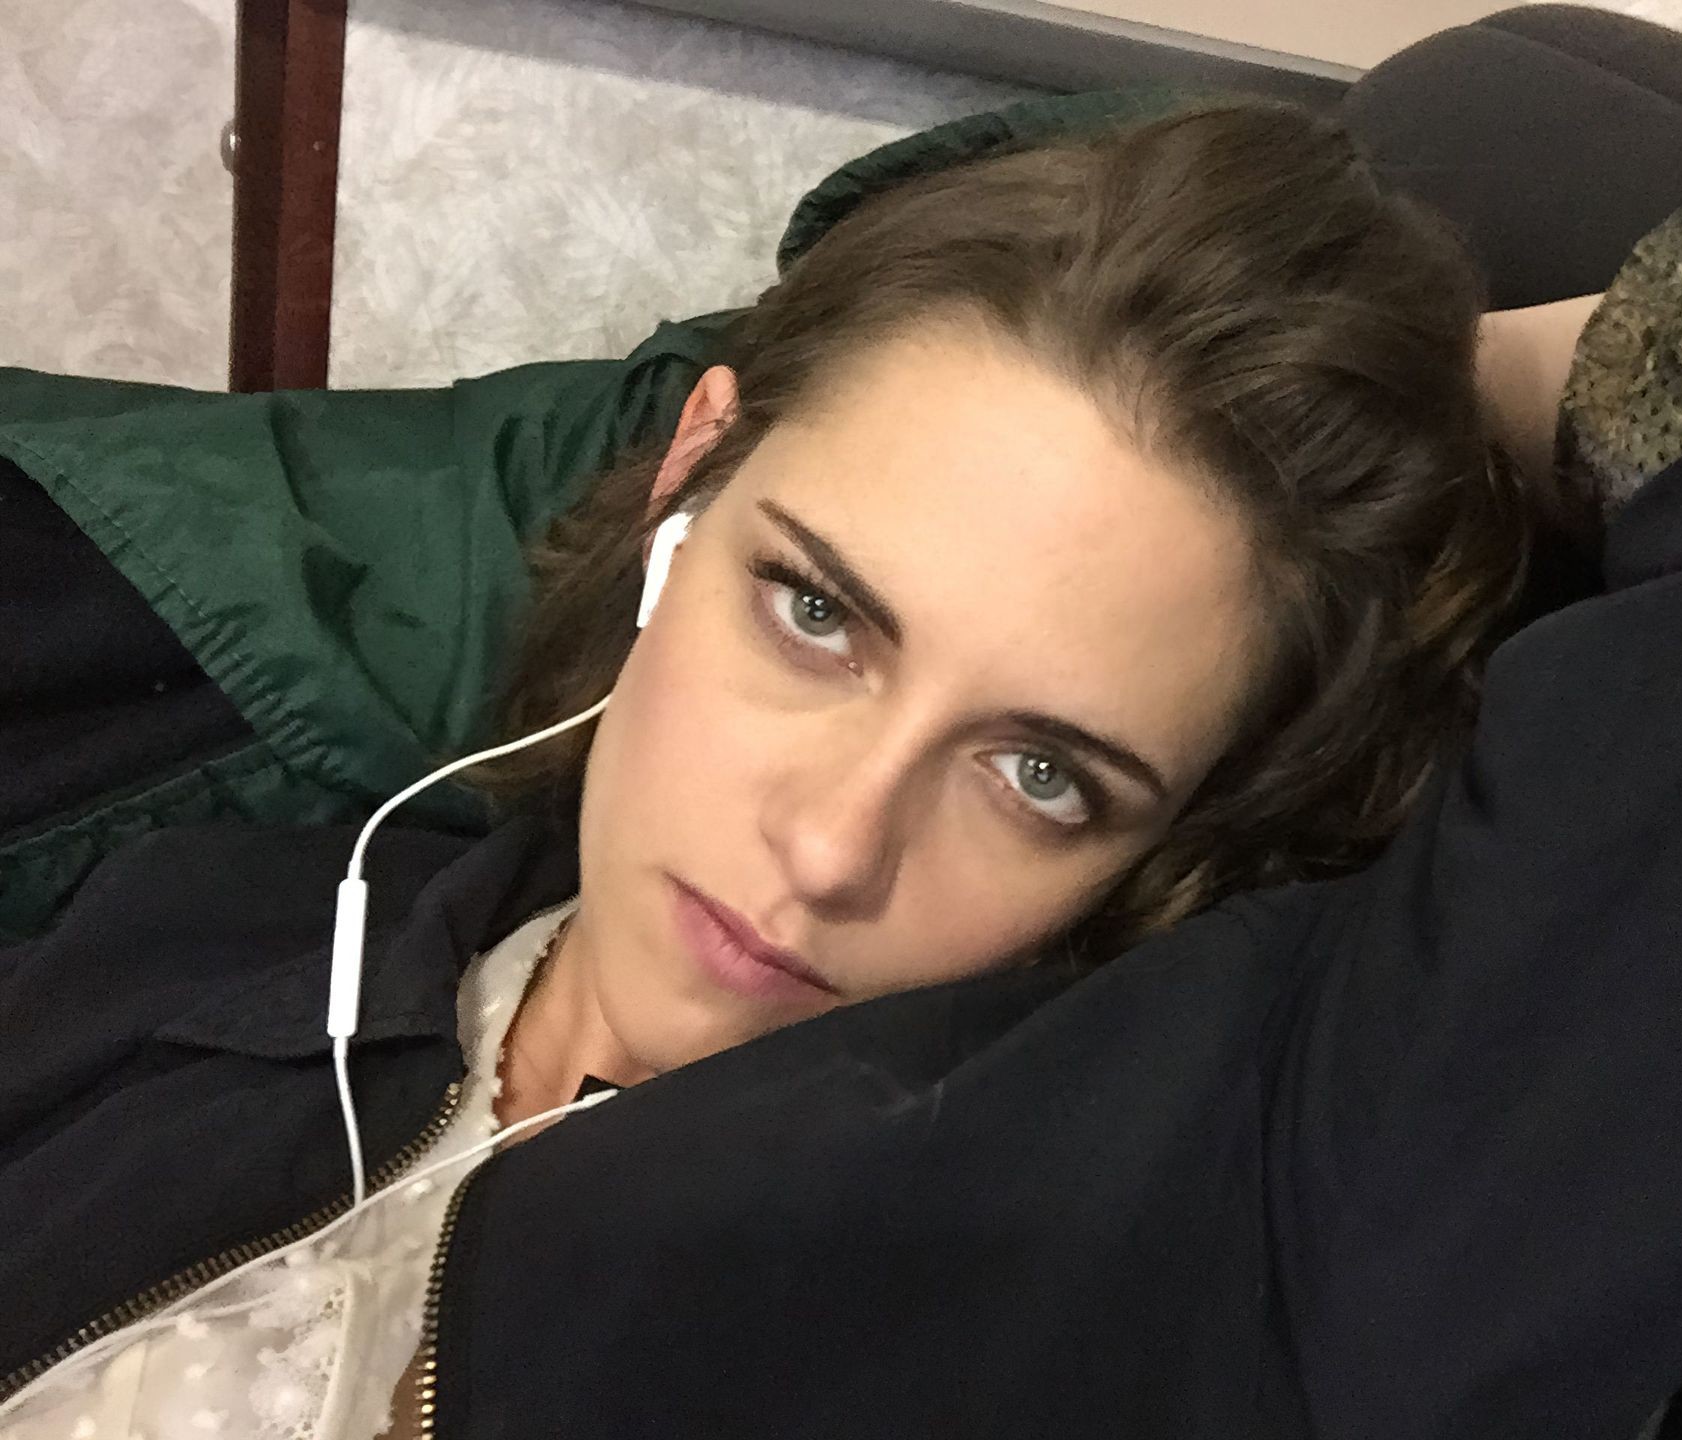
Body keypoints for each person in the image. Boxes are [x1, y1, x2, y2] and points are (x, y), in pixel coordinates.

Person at [0, 101, 1540, 1436]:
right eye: (815, 615)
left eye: (1040, 776)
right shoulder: (197, 934)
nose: (829, 847)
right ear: (688, 479)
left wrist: (1490, 393)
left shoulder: (999, 1336)